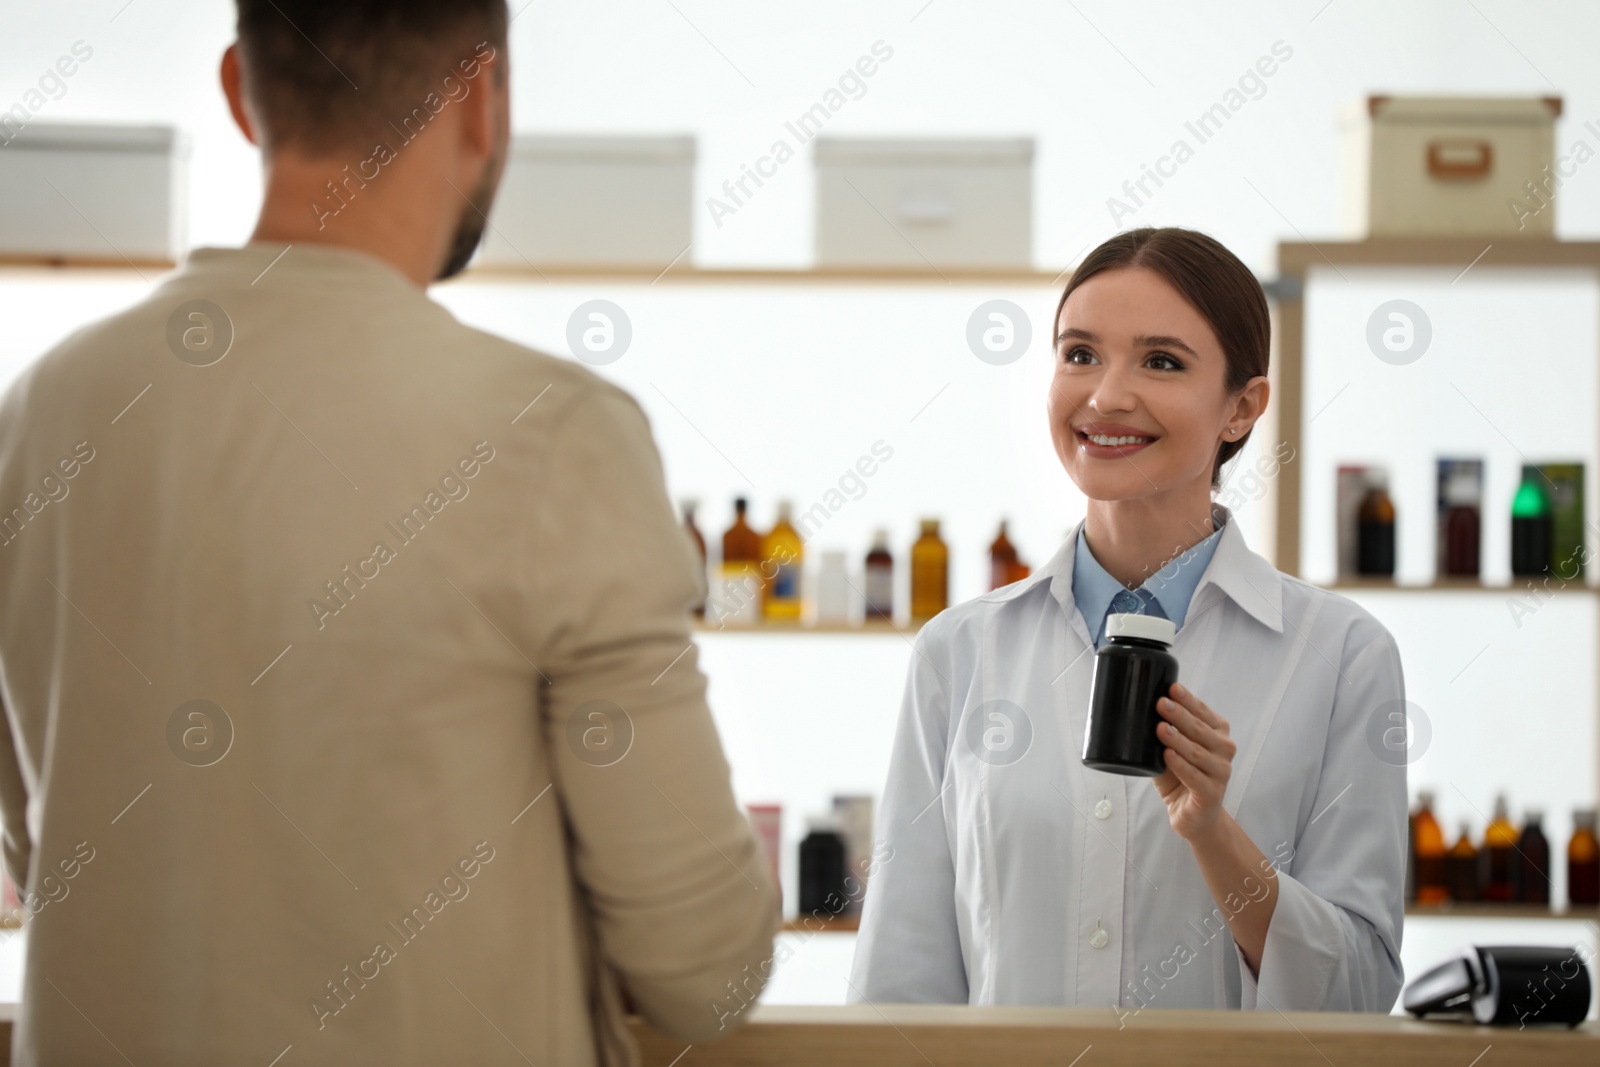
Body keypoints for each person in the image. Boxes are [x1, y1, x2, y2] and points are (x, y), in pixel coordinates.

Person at [0, 3, 776, 1064]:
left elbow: (50, 842)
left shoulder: (40, 414)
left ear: (239, 89)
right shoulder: (547, 433)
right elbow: (704, 966)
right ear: (478, 100)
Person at [849, 227, 1407, 1015]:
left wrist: (1215, 833)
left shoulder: (1342, 655)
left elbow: (1357, 992)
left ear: (1242, 408)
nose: (1106, 395)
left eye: (1162, 361)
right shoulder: (960, 652)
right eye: (1080, 354)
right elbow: (899, 984)